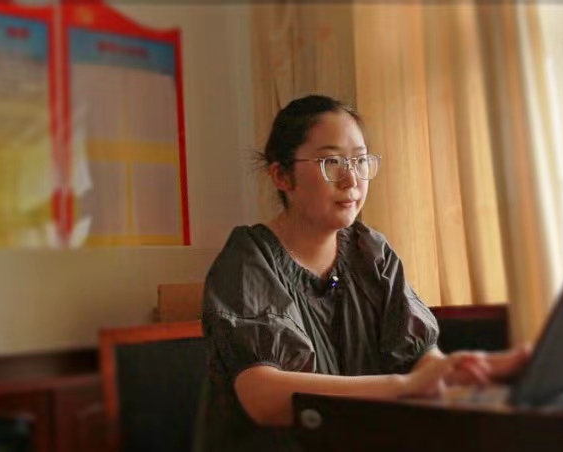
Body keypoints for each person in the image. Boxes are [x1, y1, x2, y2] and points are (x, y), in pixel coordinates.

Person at [198, 94, 530, 451]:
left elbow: (420, 359)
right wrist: (404, 387)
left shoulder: (370, 252)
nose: (351, 179)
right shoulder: (248, 260)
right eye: (331, 162)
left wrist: (449, 372)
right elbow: (265, 399)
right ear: (282, 175)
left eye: (359, 160)